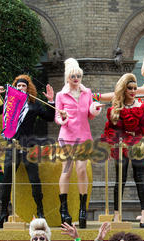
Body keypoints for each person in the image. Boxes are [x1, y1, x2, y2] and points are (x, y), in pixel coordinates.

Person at [0, 75, 55, 227]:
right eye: (18, 86)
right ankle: (3, 212)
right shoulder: (9, 105)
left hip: (28, 147)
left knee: (34, 179)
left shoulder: (34, 105)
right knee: (6, 180)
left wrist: (51, 100)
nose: (20, 88)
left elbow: (50, 117)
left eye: (23, 86)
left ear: (28, 88)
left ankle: (40, 211)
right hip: (12, 146)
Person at [101, 73, 144, 227]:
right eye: (130, 88)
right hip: (121, 145)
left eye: (135, 88)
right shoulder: (116, 108)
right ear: (124, 90)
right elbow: (110, 129)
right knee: (120, 179)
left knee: (140, 177)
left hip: (138, 144)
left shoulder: (142, 107)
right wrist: (108, 145)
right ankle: (117, 214)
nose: (133, 91)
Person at [55, 58, 102, 228]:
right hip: (67, 136)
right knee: (67, 170)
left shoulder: (87, 92)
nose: (76, 78)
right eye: (73, 75)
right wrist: (63, 119)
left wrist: (95, 110)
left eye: (78, 75)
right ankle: (64, 210)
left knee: (82, 169)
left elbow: (89, 114)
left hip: (83, 136)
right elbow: (57, 116)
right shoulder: (61, 95)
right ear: (67, 77)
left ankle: (83, 210)